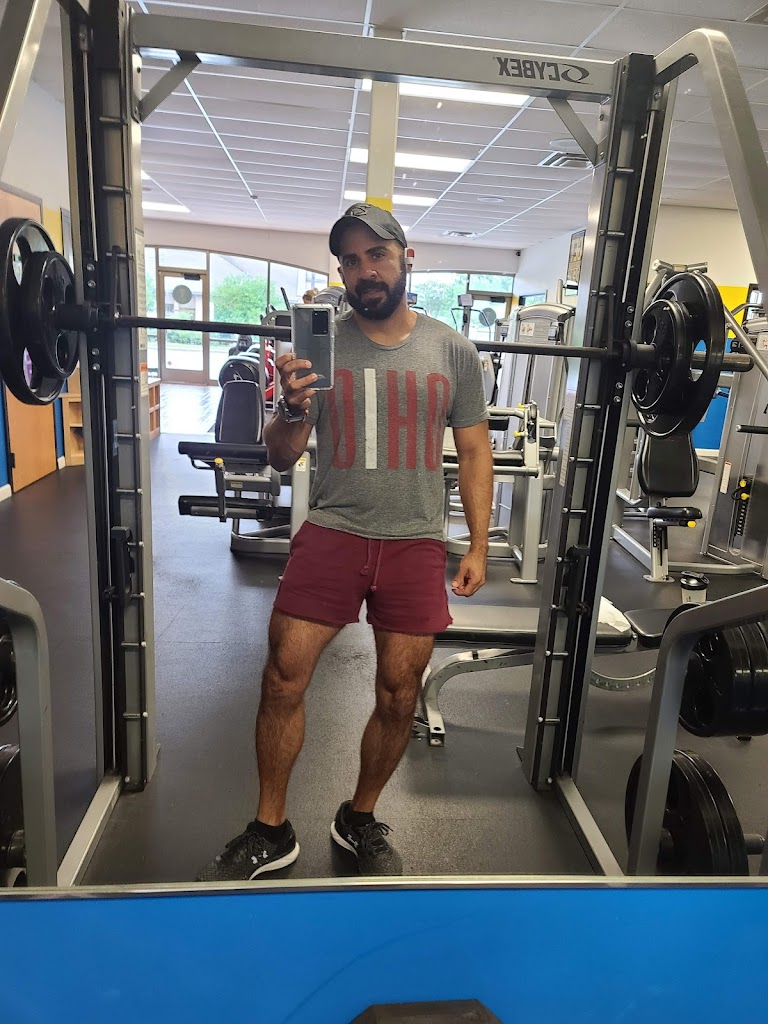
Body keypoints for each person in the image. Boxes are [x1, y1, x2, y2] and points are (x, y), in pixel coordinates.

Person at [198, 203, 493, 881]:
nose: (365, 271)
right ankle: (270, 829)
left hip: (415, 540)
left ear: (405, 257)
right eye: (350, 261)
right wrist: (292, 405)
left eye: (376, 255)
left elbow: (475, 450)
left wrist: (476, 544)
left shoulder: (452, 350)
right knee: (282, 677)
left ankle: (359, 817)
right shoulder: (319, 348)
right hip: (333, 530)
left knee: (399, 692)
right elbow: (279, 455)